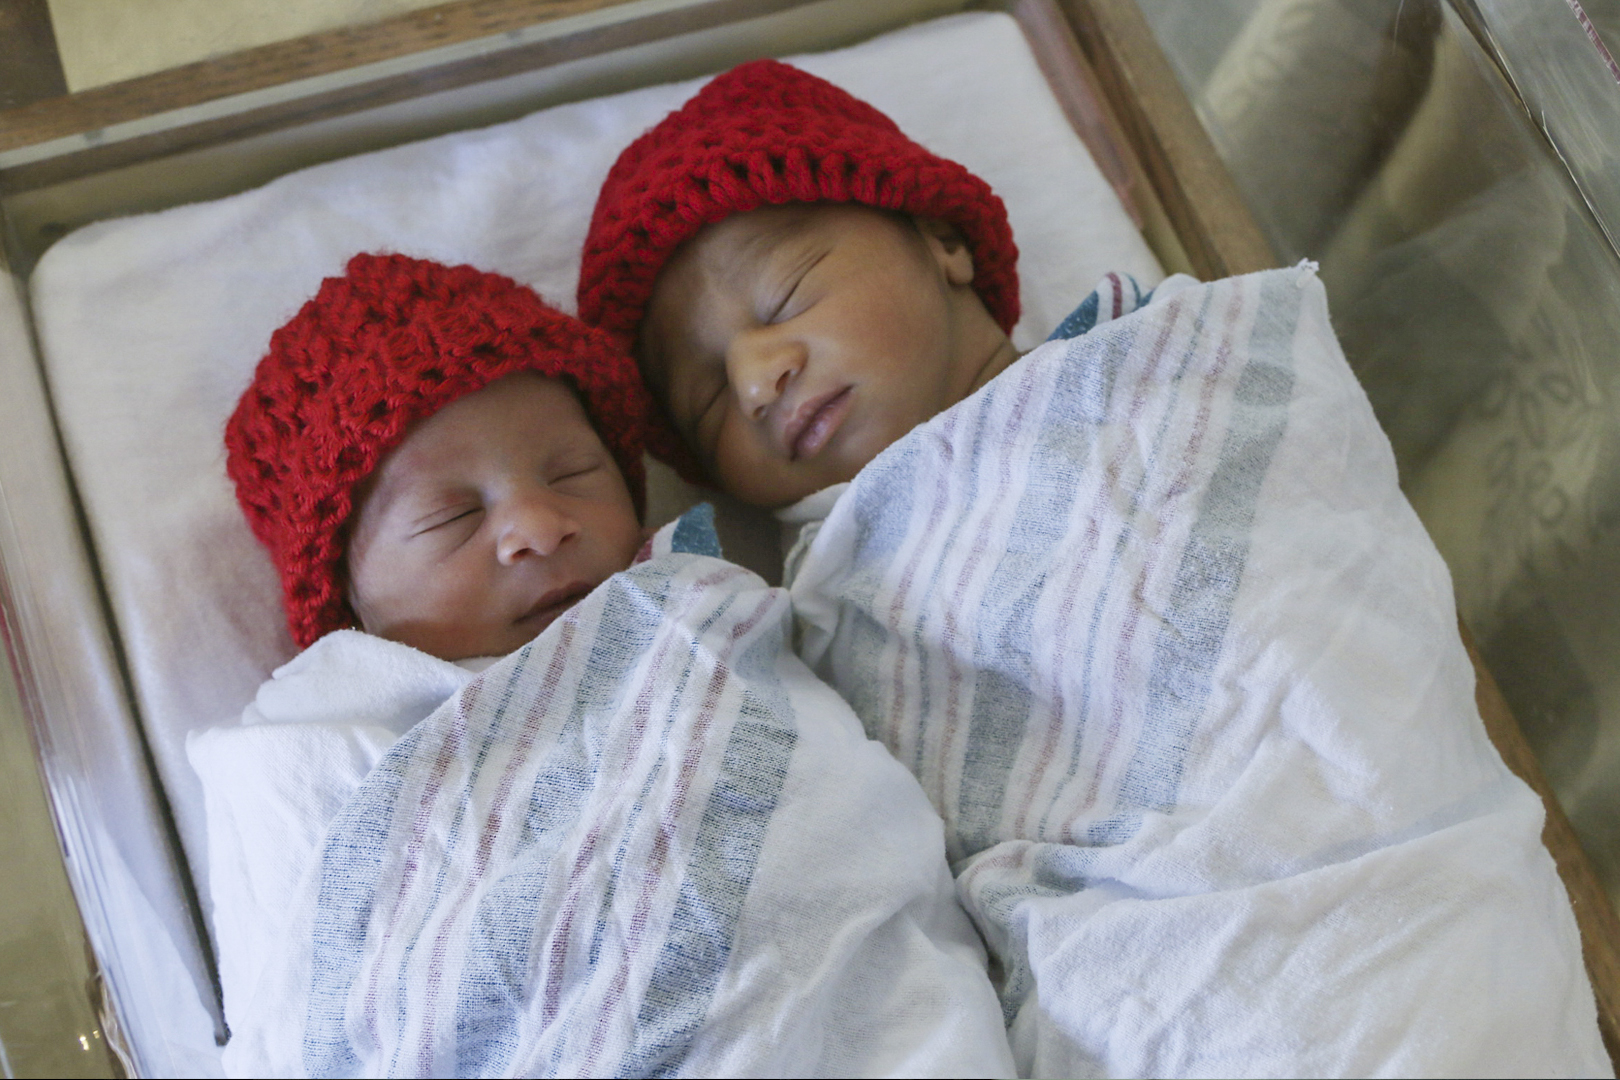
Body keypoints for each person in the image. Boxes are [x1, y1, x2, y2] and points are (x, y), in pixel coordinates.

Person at [577, 59, 1608, 1077]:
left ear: (943, 243)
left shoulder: (1171, 368)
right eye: (708, 399)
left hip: (1399, 916)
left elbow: (1308, 601)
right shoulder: (832, 604)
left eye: (787, 293)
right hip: (1138, 993)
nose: (757, 378)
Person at [211, 251, 1014, 1078]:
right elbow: (295, 1001)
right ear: (347, 596)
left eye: (573, 472)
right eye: (451, 515)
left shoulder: (703, 616)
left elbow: (842, 819)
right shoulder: (319, 729)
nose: (538, 523)